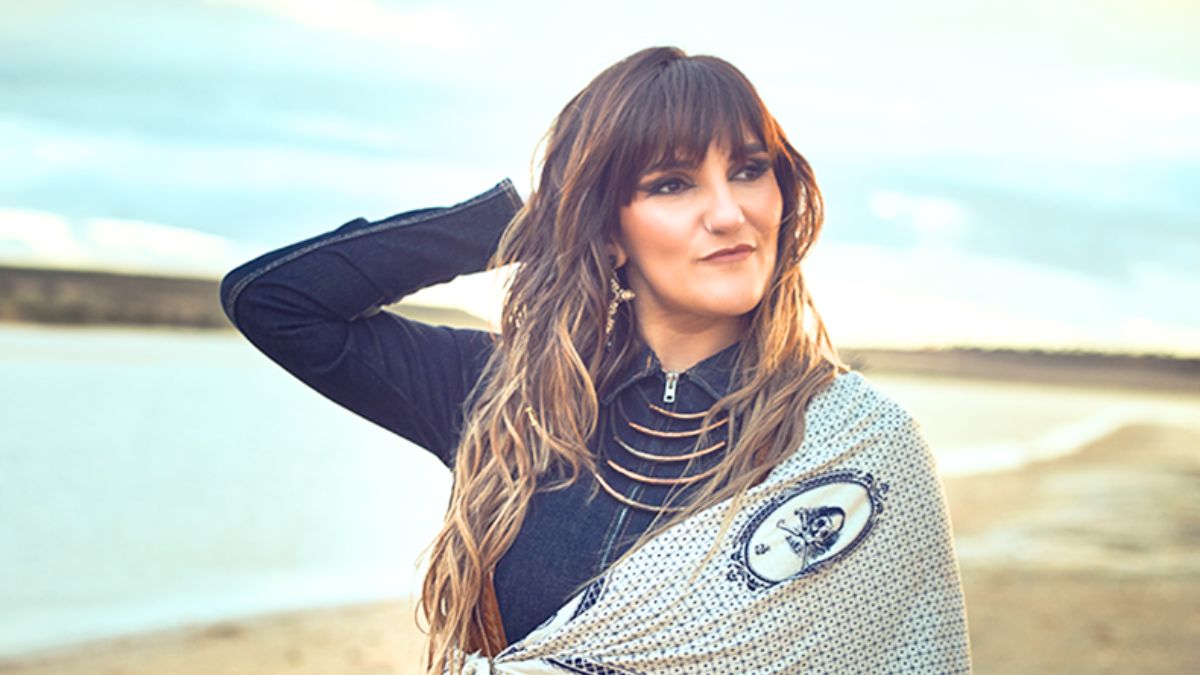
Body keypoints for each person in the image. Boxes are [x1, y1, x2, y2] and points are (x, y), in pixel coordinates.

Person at [221, 46, 970, 674]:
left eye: (749, 170)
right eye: (672, 183)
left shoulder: (858, 444)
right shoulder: (506, 398)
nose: (728, 212)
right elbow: (275, 301)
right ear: (607, 230)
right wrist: (523, 220)